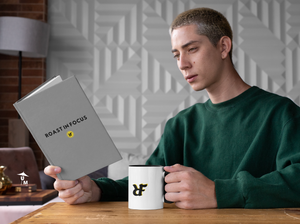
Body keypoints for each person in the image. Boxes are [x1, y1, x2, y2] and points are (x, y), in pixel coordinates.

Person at [44, 7, 300, 209]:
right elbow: (148, 182)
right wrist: (96, 190)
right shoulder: (181, 124)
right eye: (177, 54)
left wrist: (217, 192)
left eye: (192, 49)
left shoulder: (280, 113)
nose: (183, 64)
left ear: (223, 46)